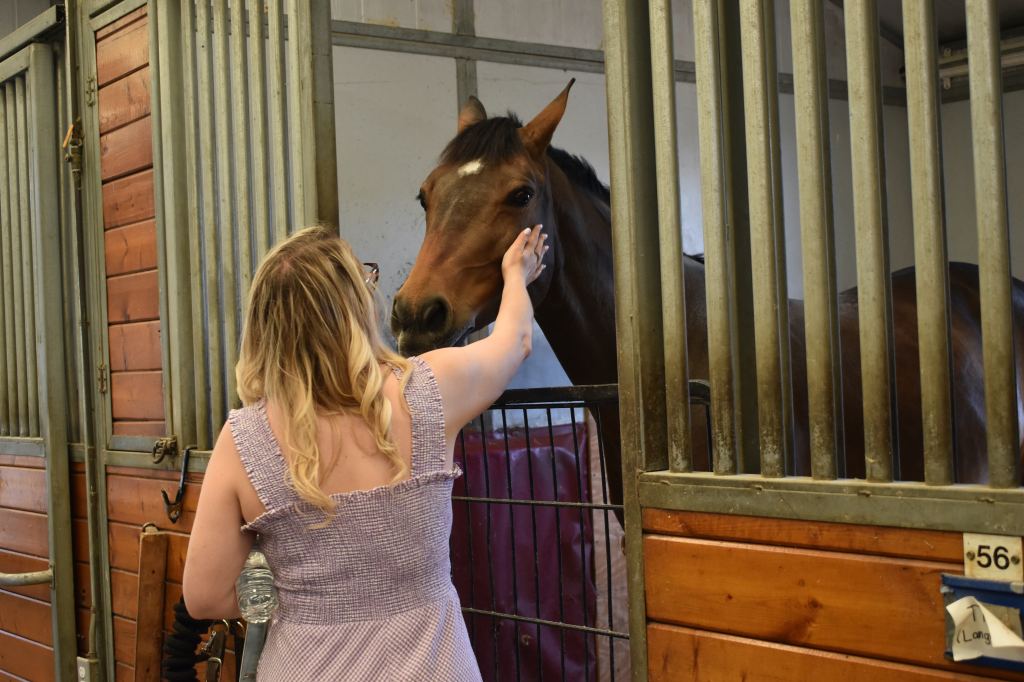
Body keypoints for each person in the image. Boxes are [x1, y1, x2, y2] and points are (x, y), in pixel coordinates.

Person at [182, 223, 548, 680]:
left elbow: (204, 596)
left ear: (264, 326)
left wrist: (302, 597)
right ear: (356, 306)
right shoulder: (429, 388)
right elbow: (515, 341)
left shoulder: (243, 440)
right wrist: (516, 273)